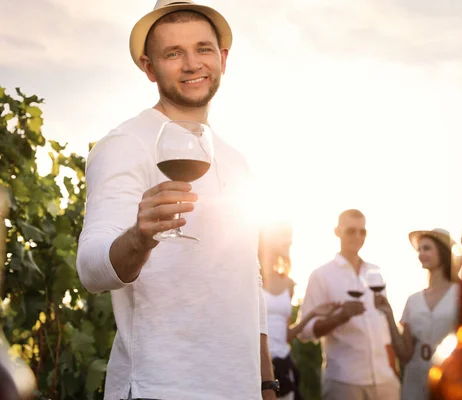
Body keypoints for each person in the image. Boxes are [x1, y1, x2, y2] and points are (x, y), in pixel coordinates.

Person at [76, 1, 278, 399]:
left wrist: (265, 382)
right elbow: (91, 270)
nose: (192, 64)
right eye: (173, 53)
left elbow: (247, 281)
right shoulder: (125, 145)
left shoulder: (236, 161)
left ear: (222, 59)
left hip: (239, 391)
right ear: (149, 67)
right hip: (160, 388)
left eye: (203, 49)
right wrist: (140, 237)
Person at [299, 209, 400, 400]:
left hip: (385, 381)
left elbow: (383, 329)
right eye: (351, 231)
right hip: (344, 381)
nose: (358, 236)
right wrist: (340, 317)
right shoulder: (321, 275)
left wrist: (393, 371)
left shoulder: (375, 272)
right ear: (337, 232)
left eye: (363, 231)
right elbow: (305, 332)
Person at [375, 228, 462, 400]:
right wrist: (389, 315)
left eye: (427, 248)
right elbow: (405, 354)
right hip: (415, 383)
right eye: (419, 249)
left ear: (443, 252)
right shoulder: (412, 301)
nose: (421, 254)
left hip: (451, 381)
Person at [259, 221, 341, 399]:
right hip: (258, 363)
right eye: (284, 239)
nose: (287, 245)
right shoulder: (254, 278)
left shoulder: (288, 283)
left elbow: (286, 336)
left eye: (289, 241)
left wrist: (312, 313)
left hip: (282, 363)